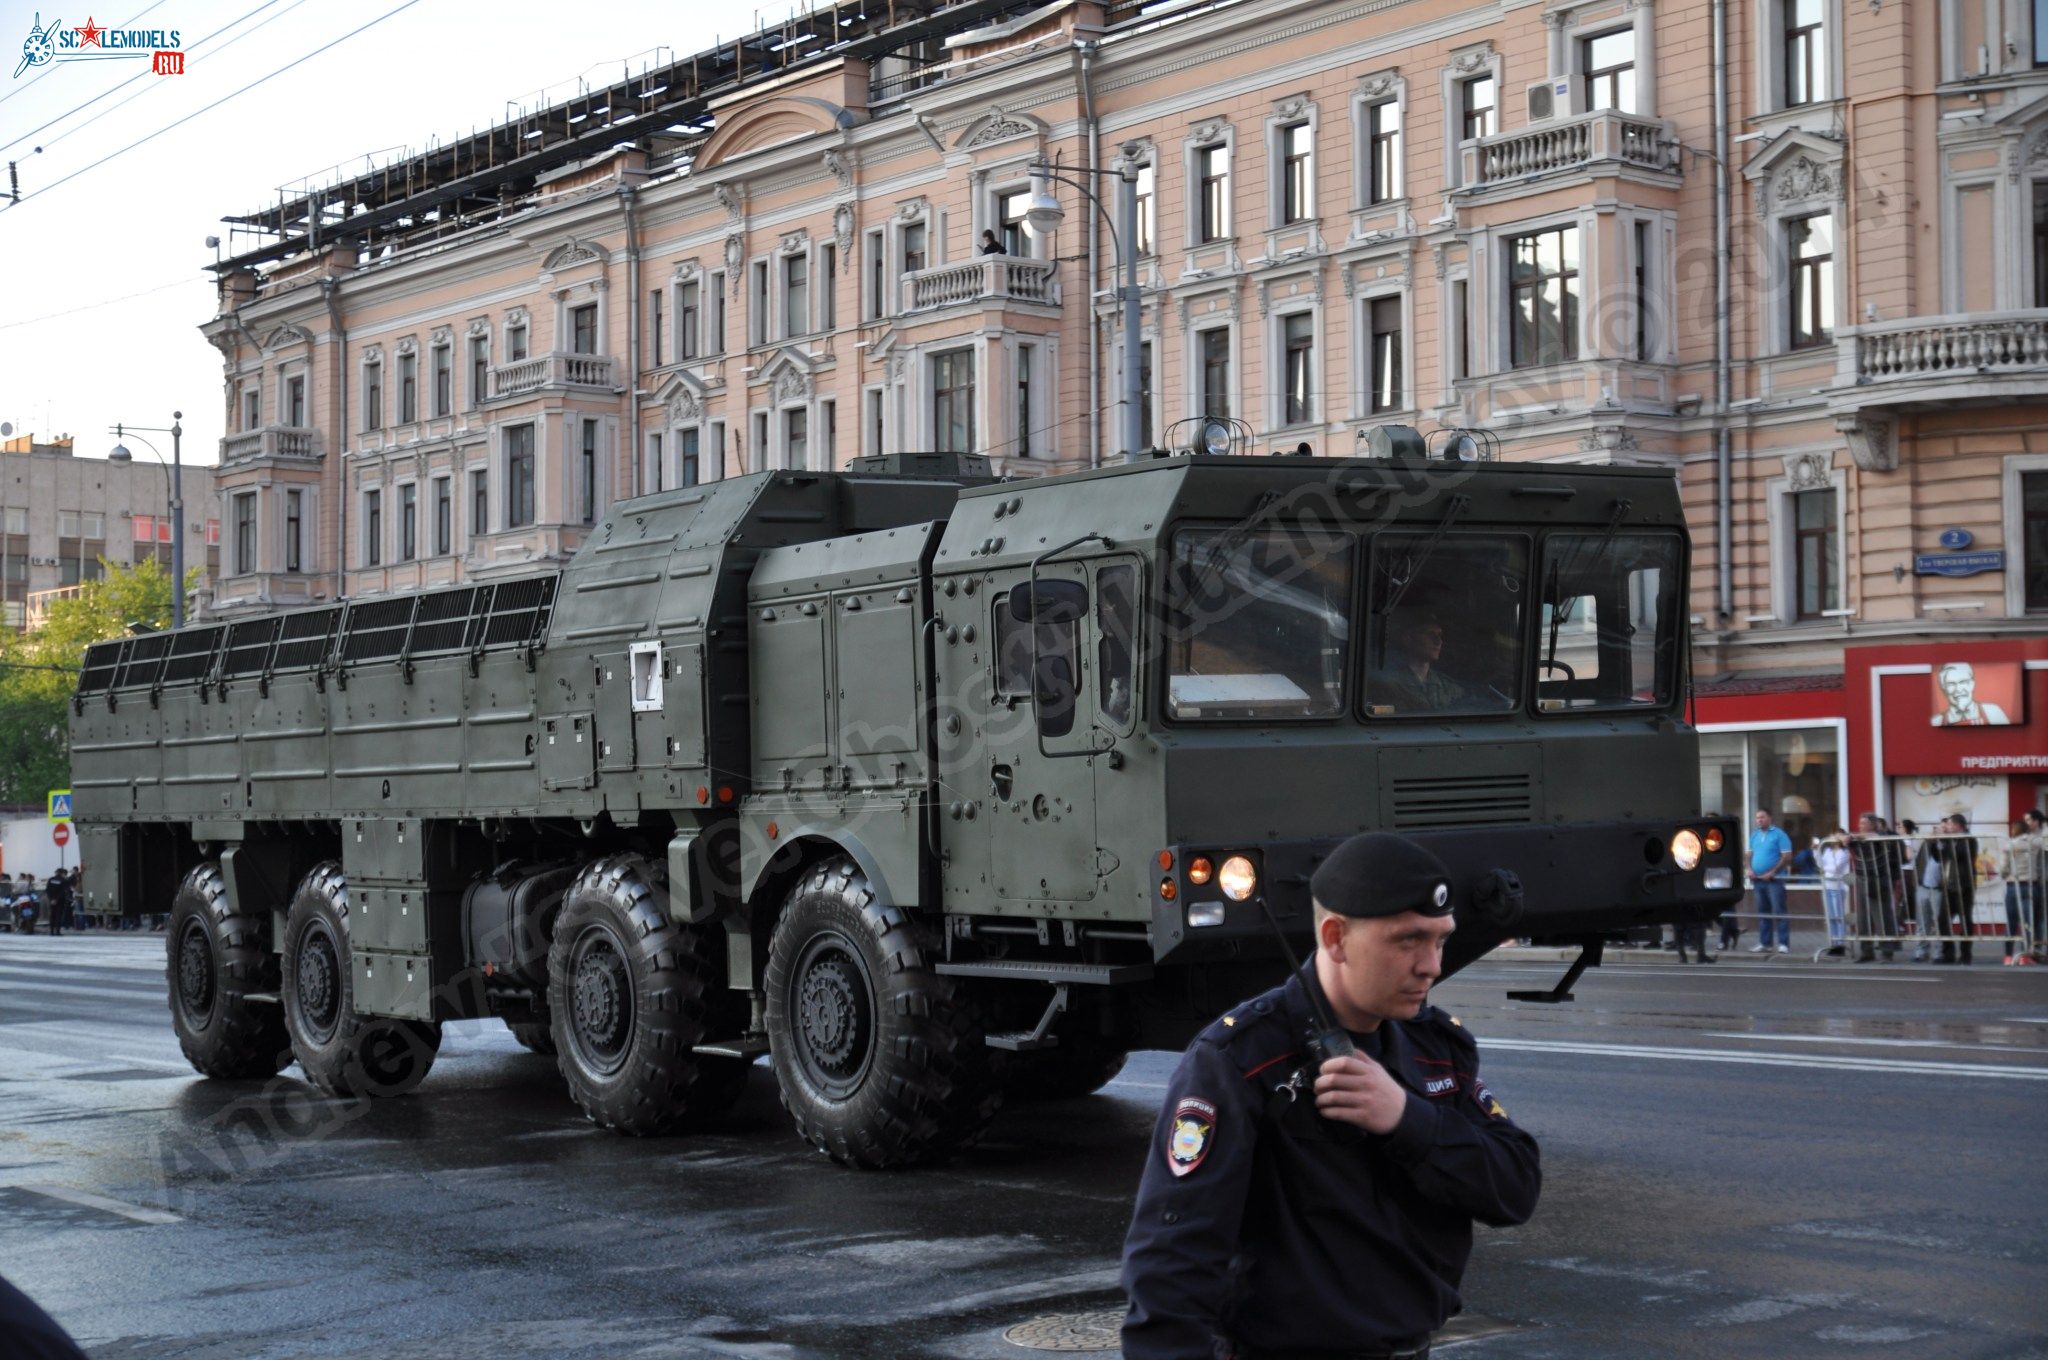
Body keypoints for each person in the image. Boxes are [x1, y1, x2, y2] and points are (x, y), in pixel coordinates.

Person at [1120, 832, 1541, 1360]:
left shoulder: (1436, 1048)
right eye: (1408, 940)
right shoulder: (1240, 1058)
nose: (1431, 965)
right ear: (1336, 938)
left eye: (1440, 940)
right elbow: (1173, 1260)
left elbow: (1516, 1188)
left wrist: (1408, 1119)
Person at [1370, 611, 1468, 713]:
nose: (1438, 641)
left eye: (1440, 635)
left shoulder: (1449, 687)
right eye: (1430, 634)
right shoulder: (1386, 684)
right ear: (1408, 639)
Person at [1850, 814, 1901, 963]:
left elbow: (1886, 836)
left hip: (1879, 879)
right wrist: (1844, 837)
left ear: (1873, 825)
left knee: (1882, 916)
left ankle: (1887, 951)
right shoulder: (1858, 838)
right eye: (1859, 823)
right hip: (1861, 878)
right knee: (1862, 917)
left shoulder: (1882, 836)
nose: (1860, 826)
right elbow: (1842, 837)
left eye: (1864, 823)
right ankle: (1866, 951)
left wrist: (1857, 836)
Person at [1933, 814, 1979, 965]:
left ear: (1959, 826)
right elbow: (1937, 857)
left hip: (1963, 886)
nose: (1947, 827)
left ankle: (1966, 955)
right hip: (1948, 886)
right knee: (1942, 920)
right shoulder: (1948, 841)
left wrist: (1945, 839)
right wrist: (1937, 840)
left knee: (1965, 920)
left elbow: (1959, 855)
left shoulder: (1969, 840)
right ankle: (1948, 953)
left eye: (1950, 825)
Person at [1748, 810, 1793, 955]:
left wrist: (1773, 872)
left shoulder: (1779, 834)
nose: (1759, 820)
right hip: (1758, 879)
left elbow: (1786, 856)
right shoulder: (1754, 835)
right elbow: (1748, 854)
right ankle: (1765, 943)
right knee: (1763, 912)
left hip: (1775, 880)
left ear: (1769, 818)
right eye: (1757, 817)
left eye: (1762, 817)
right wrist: (1749, 869)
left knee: (1779, 911)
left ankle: (1783, 944)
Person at [2000, 819, 2037, 965]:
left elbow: (2004, 869)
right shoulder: (2034, 844)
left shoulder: (2008, 846)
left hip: (2012, 885)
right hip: (2030, 885)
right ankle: (2025, 956)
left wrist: (2004, 875)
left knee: (2011, 922)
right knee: (2028, 924)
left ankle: (2008, 956)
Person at [1931, 662, 2010, 727]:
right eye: (1951, 684)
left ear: (1972, 684)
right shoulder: (1936, 721)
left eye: (1963, 682)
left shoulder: (1993, 712)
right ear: (1943, 688)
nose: (1958, 689)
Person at [1817, 831, 1851, 956]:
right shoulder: (1827, 851)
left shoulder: (1844, 852)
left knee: (1838, 916)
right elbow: (1820, 864)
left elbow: (1836, 868)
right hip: (1828, 885)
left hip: (1838, 886)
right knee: (1830, 916)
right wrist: (1816, 851)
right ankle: (1833, 942)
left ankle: (1840, 943)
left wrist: (1825, 868)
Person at [42, 869, 71, 938]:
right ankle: (57, 931)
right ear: (62, 873)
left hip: (52, 900)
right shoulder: (64, 880)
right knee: (59, 915)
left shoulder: (51, 879)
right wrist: (56, 899)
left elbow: (47, 890)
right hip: (60, 900)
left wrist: (51, 899)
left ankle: (51, 931)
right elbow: (62, 891)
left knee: (52, 915)